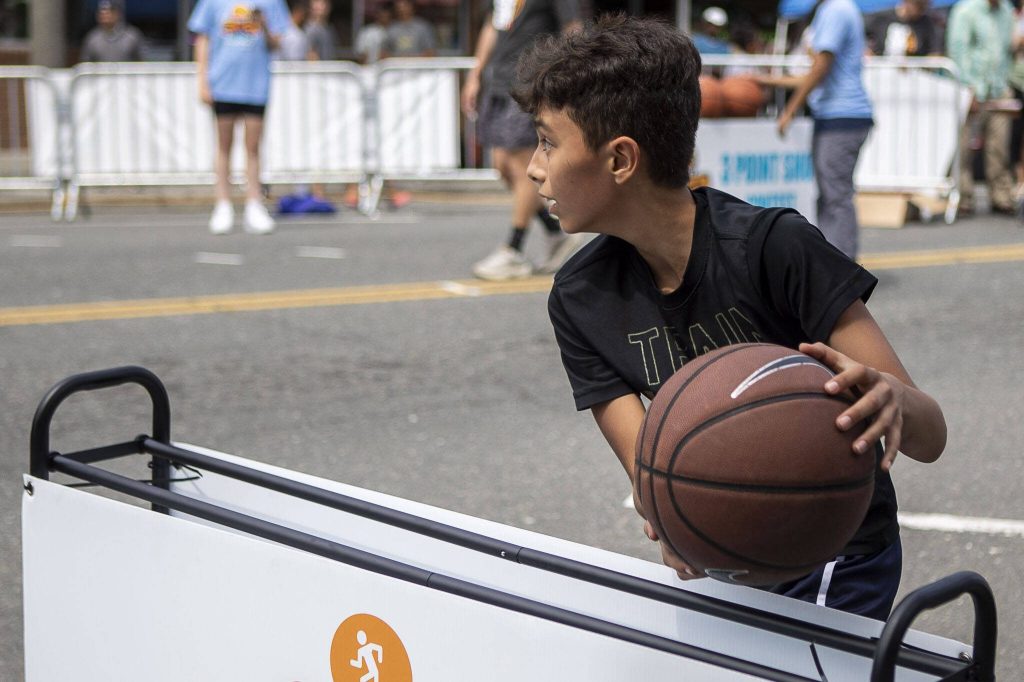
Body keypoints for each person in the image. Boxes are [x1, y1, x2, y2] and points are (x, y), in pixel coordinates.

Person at [516, 15, 946, 619]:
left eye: (548, 141)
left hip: (834, 555)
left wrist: (893, 400)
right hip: (727, 561)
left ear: (620, 160)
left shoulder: (775, 248)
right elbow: (650, 470)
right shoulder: (580, 297)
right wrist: (676, 517)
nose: (534, 166)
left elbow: (931, 436)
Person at [461, 0, 584, 280]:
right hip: (499, 83)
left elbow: (572, 29)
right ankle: (556, 234)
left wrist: (572, 76)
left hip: (530, 83)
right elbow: (493, 26)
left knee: (521, 167)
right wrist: (475, 74)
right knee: (502, 167)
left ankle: (513, 250)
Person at [753, 0, 873, 261]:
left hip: (842, 117)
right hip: (839, 116)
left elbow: (821, 67)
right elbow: (815, 72)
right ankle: (835, 263)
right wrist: (766, 80)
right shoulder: (834, 10)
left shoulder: (836, 10)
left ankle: (842, 268)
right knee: (831, 196)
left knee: (835, 196)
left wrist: (791, 108)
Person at [189, 0, 290, 235]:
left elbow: (277, 42)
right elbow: (202, 39)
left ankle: (254, 203)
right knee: (224, 145)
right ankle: (222, 203)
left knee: (253, 146)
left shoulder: (272, 3)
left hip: (255, 84)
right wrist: (202, 80)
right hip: (223, 81)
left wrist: (263, 26)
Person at [947, 0, 1016, 216]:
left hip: (999, 87)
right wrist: (969, 87)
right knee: (964, 147)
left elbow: (1006, 51)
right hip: (971, 88)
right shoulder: (966, 10)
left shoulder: (1006, 11)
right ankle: (964, 197)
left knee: (1000, 146)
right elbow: (958, 51)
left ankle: (1001, 196)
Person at [865, 0, 941, 57]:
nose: (921, 10)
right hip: (882, 74)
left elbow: (934, 52)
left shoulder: (926, 23)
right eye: (918, 5)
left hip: (915, 75)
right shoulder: (881, 18)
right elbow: (861, 37)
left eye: (924, 6)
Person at [80, 0, 144, 63]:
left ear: (117, 14)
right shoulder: (92, 38)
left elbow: (142, 62)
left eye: (109, 12)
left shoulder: (131, 35)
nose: (105, 16)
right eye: (102, 13)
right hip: (101, 73)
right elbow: (85, 64)